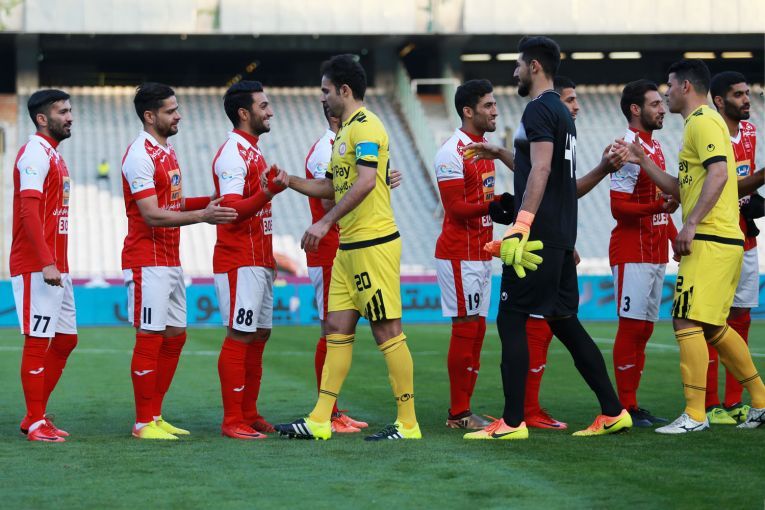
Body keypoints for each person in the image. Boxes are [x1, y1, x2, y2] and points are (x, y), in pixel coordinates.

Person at [465, 36, 631, 440]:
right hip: (560, 236)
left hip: (536, 239)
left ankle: (511, 422)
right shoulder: (561, 113)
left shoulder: (538, 108)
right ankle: (613, 412)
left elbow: (540, 170)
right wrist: (501, 153)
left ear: (534, 66)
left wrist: (521, 224)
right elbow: (547, 171)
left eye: (518, 65)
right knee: (565, 322)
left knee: (510, 318)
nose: (515, 72)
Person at [274, 54, 421, 440]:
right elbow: (330, 186)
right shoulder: (344, 134)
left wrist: (325, 222)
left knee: (387, 331)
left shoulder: (367, 126)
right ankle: (321, 419)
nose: (322, 98)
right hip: (348, 248)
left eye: (326, 91)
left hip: (373, 243)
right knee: (336, 328)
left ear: (344, 90)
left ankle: (408, 423)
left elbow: (367, 181)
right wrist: (288, 180)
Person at [617, 59, 765, 432]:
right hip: (723, 238)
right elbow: (683, 187)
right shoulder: (699, 124)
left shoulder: (702, 121)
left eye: (669, 85)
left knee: (685, 318)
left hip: (712, 237)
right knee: (713, 327)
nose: (666, 93)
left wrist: (693, 222)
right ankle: (761, 402)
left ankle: (695, 415)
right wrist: (642, 160)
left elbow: (719, 173)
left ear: (685, 86)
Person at [121, 82, 238, 440]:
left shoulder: (166, 151)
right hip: (147, 260)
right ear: (149, 115)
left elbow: (174, 203)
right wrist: (204, 216)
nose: (178, 116)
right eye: (171, 111)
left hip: (170, 259)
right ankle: (143, 423)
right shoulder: (139, 155)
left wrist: (211, 200)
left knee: (175, 336)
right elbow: (152, 214)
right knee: (150, 335)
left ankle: (156, 415)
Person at [212, 81, 291, 440]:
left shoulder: (252, 151)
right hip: (239, 260)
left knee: (259, 334)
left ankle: (249, 412)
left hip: (258, 260)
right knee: (240, 334)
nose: (270, 111)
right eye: (263, 105)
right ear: (244, 113)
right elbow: (231, 210)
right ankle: (232, 420)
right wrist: (268, 191)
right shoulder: (232, 154)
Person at [433, 79, 513, 430]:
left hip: (480, 253)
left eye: (495, 104)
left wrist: (497, 209)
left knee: (477, 330)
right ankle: (458, 414)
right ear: (468, 111)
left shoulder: (483, 151)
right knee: (466, 329)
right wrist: (492, 206)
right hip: (458, 254)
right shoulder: (451, 152)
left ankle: (465, 410)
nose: (495, 111)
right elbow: (454, 208)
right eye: (488, 105)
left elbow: (480, 204)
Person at [609, 79, 678, 427]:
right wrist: (657, 208)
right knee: (632, 327)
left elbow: (661, 205)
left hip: (654, 251)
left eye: (662, 103)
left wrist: (675, 238)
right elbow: (618, 208)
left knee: (646, 329)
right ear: (635, 109)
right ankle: (624, 407)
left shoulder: (655, 147)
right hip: (631, 250)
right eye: (655, 104)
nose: (662, 109)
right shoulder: (624, 149)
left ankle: (633, 405)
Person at [11, 89, 78, 442]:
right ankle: (36, 422)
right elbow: (28, 211)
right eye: (62, 111)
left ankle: (33, 415)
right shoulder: (34, 153)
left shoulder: (54, 155)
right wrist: (46, 262)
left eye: (69, 110)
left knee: (66, 339)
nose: (69, 117)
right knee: (38, 341)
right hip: (37, 265)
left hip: (56, 267)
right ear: (42, 118)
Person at [303, 100, 369, 434]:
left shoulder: (341, 144)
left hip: (340, 247)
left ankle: (333, 410)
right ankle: (327, 413)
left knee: (339, 331)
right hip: (327, 249)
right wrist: (367, 187)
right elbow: (328, 199)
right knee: (331, 330)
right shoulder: (324, 150)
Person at [704, 71, 761, 425]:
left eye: (747, 93)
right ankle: (711, 403)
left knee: (741, 320)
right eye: (738, 94)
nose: (746, 99)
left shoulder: (751, 132)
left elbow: (745, 184)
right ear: (719, 101)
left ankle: (735, 401)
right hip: (718, 239)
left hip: (747, 240)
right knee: (712, 321)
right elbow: (725, 185)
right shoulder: (711, 134)